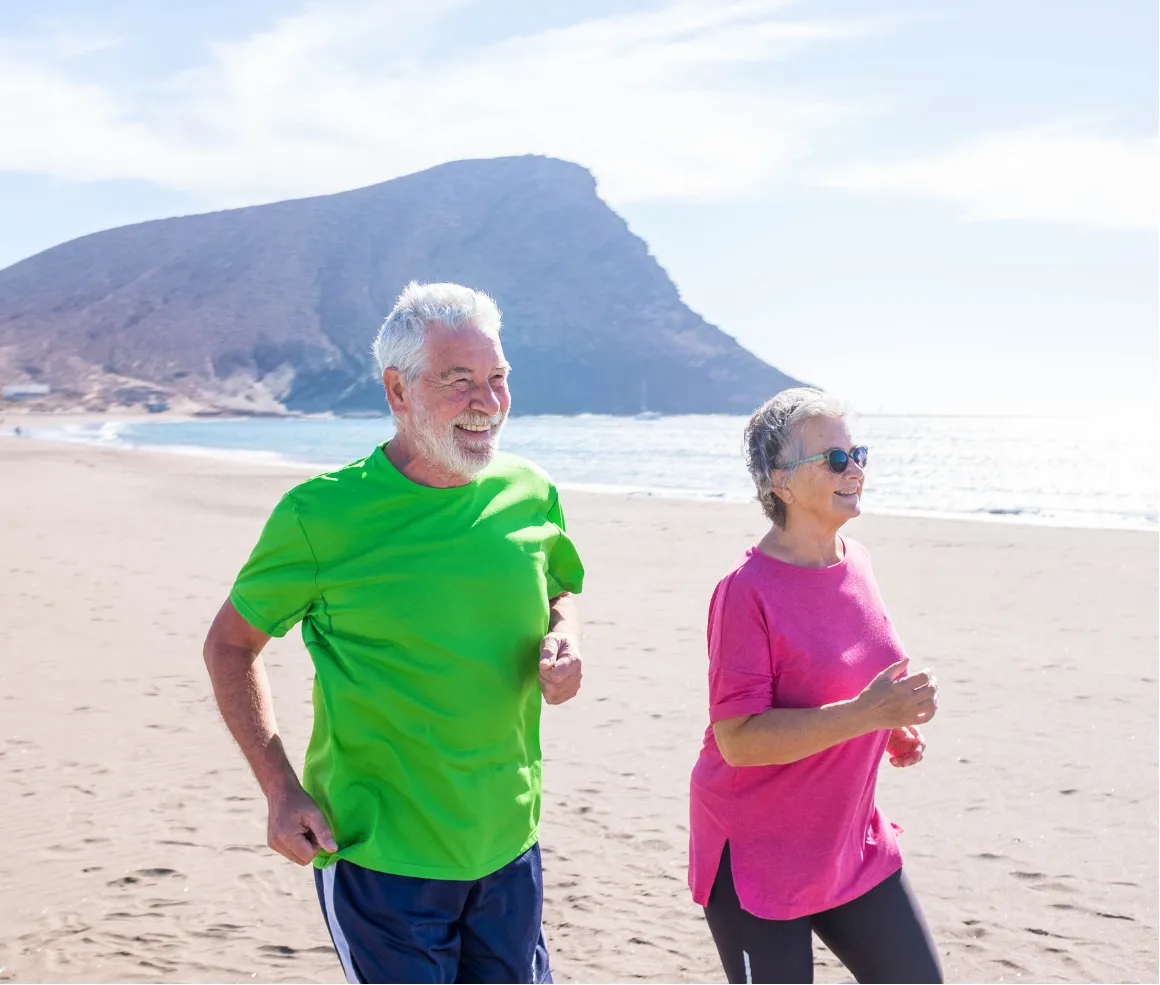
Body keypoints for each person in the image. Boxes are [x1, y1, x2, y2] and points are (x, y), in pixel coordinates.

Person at [202, 282, 585, 984]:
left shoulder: (531, 490)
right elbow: (230, 644)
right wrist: (280, 787)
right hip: (382, 859)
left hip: (509, 842)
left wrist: (565, 637)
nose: (486, 400)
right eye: (459, 379)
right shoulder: (321, 515)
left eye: (497, 378)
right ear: (398, 389)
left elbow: (560, 589)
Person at [688, 387, 943, 984]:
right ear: (779, 479)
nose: (854, 468)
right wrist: (863, 715)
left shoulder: (858, 561)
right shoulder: (745, 591)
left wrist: (886, 726)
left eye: (858, 453)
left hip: (851, 842)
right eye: (834, 459)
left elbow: (839, 679)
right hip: (757, 857)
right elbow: (740, 741)